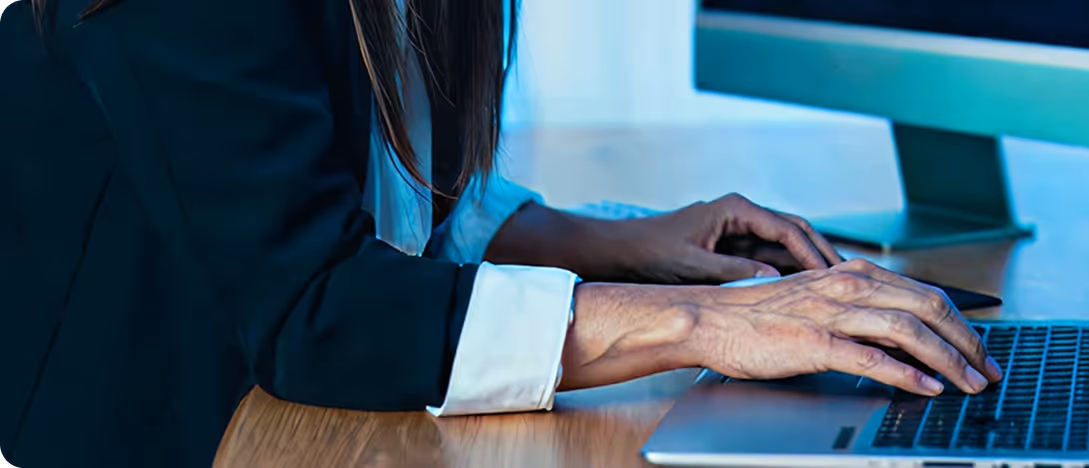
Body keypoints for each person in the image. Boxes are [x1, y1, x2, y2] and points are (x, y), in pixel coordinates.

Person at [0, 0, 1001, 466]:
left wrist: (611, 241)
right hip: (133, 429)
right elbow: (315, 307)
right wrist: (704, 323)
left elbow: (377, 182)